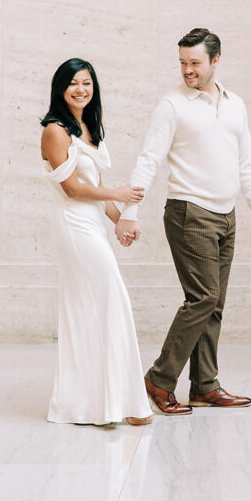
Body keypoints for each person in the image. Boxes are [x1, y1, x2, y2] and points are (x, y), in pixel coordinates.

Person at [115, 28, 251, 415]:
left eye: (195, 63)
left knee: (214, 305)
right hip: (189, 212)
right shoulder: (172, 106)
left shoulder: (235, 105)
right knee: (203, 298)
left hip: (227, 214)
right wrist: (129, 214)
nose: (187, 70)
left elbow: (246, 161)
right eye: (183, 63)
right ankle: (159, 380)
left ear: (215, 61)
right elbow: (148, 159)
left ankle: (204, 386)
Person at [40, 57, 153, 426]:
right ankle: (110, 403)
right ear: (61, 88)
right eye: (73, 83)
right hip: (73, 225)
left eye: (86, 82)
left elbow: (97, 192)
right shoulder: (55, 130)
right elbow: (72, 188)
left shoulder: (88, 127)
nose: (81, 89)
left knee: (93, 307)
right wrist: (120, 191)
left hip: (91, 222)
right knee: (107, 300)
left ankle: (105, 403)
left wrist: (121, 220)